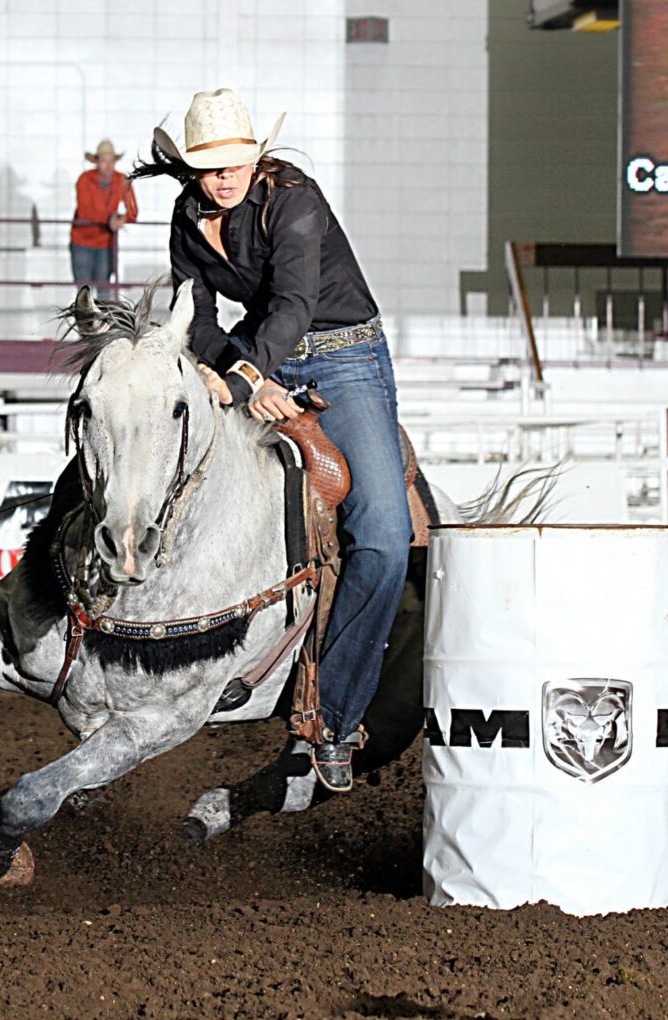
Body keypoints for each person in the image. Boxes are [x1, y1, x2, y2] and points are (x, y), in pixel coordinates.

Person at [133, 88, 412, 793]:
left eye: (235, 162)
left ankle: (336, 717)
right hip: (259, 356)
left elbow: (295, 301)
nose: (224, 176)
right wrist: (222, 366)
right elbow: (191, 309)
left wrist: (248, 372)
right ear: (192, 170)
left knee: (381, 532)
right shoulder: (189, 215)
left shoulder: (296, 201)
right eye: (210, 166)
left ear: (255, 158)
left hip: (344, 357)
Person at [71, 139, 138, 291]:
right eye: (104, 161)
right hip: (82, 241)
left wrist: (121, 219)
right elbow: (85, 212)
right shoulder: (85, 179)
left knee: (104, 289)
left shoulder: (121, 180)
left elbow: (133, 212)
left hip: (105, 243)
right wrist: (111, 220)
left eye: (111, 161)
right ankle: (89, 314)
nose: (108, 165)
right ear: (97, 162)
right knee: (84, 290)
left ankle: (101, 315)